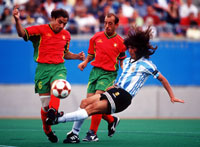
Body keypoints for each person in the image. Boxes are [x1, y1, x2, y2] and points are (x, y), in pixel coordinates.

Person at [46, 26, 185, 140]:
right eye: (129, 47)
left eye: (133, 48)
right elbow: (125, 75)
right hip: (115, 90)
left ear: (140, 48)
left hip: (124, 97)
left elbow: (163, 79)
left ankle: (58, 119)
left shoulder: (147, 65)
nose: (130, 50)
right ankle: (74, 135)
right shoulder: (126, 61)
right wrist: (115, 84)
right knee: (84, 102)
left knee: (91, 109)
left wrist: (171, 96)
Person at [12, 7, 85, 143]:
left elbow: (65, 53)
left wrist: (76, 56)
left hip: (58, 68)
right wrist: (17, 20)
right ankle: (48, 130)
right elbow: (22, 33)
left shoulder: (66, 35)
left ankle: (54, 112)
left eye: (65, 23)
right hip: (42, 70)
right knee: (45, 106)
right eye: (60, 22)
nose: (62, 26)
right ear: (53, 18)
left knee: (58, 86)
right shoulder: (40, 30)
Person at [58, 13, 127, 143]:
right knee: (88, 104)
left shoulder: (121, 42)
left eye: (110, 23)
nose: (107, 26)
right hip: (95, 72)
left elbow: (122, 62)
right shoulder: (96, 37)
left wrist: (124, 74)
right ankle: (111, 120)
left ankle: (92, 134)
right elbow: (91, 55)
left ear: (116, 25)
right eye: (105, 23)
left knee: (96, 104)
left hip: (108, 74)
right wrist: (84, 63)